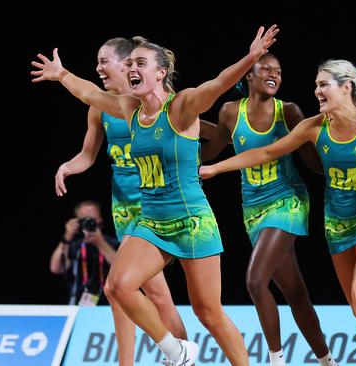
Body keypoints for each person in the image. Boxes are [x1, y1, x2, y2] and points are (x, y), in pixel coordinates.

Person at [32, 25, 280, 366]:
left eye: (141, 64)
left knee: (208, 313)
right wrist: (61, 74)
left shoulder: (181, 107)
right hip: (151, 221)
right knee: (117, 286)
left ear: (161, 72)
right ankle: (177, 352)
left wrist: (251, 57)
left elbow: (219, 83)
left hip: (192, 221)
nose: (132, 69)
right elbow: (90, 94)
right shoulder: (131, 109)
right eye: (130, 63)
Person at [199, 59, 356, 366]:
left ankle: (282, 359)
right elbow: (265, 151)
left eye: (323, 85)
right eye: (316, 85)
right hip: (332, 222)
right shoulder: (312, 127)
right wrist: (214, 167)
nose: (315, 91)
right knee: (349, 304)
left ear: (347, 87)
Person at [53, 37, 187, 366]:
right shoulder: (100, 107)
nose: (98, 68)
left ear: (126, 64)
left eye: (104, 61)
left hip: (153, 205)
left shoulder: (149, 101)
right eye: (97, 62)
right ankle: (157, 358)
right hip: (122, 208)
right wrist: (68, 167)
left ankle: (179, 355)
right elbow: (88, 154)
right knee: (143, 294)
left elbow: (189, 129)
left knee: (126, 288)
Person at [198, 52, 336, 366]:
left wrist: (339, 147)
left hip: (288, 201)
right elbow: (212, 150)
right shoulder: (231, 112)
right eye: (266, 69)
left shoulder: (288, 112)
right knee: (295, 292)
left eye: (278, 70)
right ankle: (328, 361)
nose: (274, 74)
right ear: (249, 75)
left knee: (255, 280)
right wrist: (180, 135)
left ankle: (275, 359)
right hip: (253, 210)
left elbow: (313, 163)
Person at [50, 200, 118, 306]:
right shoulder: (74, 245)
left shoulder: (112, 243)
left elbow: (121, 268)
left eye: (92, 219)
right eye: (84, 220)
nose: (89, 223)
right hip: (78, 305)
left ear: (100, 220)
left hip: (109, 306)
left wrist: (101, 244)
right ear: (77, 222)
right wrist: (67, 237)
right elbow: (56, 268)